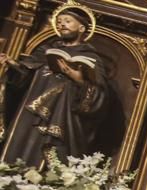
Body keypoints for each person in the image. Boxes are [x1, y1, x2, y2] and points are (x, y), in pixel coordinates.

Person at [0, 4, 112, 168]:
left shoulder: (91, 58)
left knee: (52, 153)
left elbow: (99, 97)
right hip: (30, 111)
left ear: (82, 28)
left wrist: (79, 80)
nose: (62, 24)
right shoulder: (46, 50)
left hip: (63, 115)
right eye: (59, 22)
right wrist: (13, 65)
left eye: (67, 21)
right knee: (21, 143)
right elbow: (24, 78)